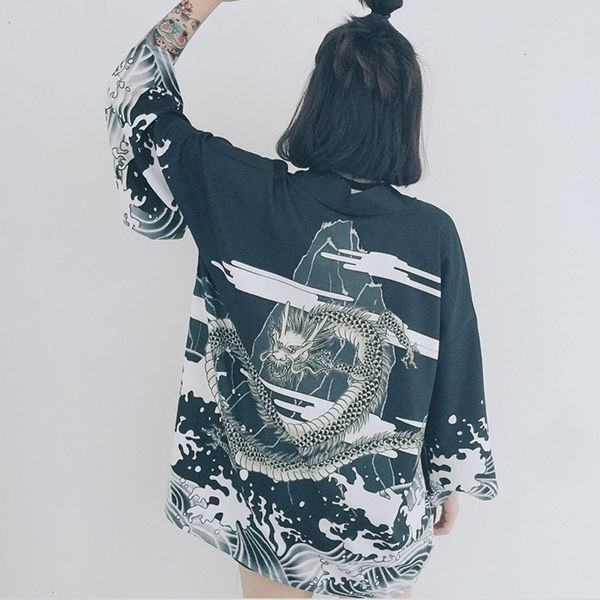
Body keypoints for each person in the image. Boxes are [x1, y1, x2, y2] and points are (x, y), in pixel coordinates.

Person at [104, 0, 499, 598]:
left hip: (266, 514)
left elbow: (135, 93)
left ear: (319, 100)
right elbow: (457, 360)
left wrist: (205, 3)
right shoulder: (432, 234)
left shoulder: (238, 190)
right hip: (378, 518)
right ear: (405, 116)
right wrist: (445, 479)